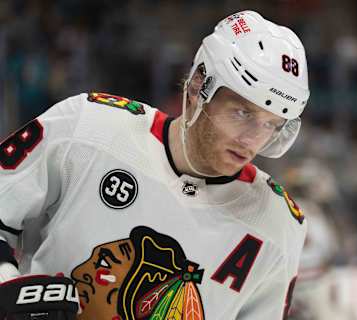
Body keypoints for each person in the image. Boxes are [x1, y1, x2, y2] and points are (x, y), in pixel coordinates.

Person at [0, 10, 310, 319]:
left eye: (271, 124)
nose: (251, 139)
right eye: (242, 113)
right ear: (197, 86)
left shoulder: (278, 225)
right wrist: (6, 289)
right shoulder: (88, 128)